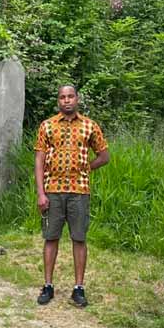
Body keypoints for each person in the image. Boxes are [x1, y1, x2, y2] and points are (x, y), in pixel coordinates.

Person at [34, 85, 110, 307]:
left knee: (79, 238)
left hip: (79, 191)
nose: (66, 100)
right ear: (58, 101)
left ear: (77, 99)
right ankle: (48, 285)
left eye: (70, 96)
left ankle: (79, 288)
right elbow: (39, 160)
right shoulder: (47, 126)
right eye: (62, 97)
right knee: (51, 237)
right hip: (52, 189)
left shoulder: (89, 126)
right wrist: (41, 193)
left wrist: (86, 168)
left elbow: (104, 156)